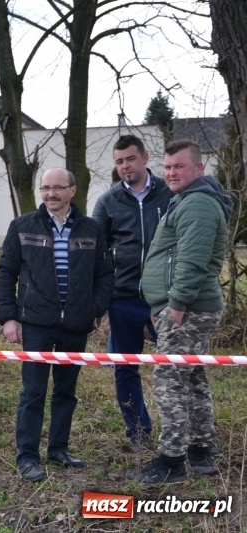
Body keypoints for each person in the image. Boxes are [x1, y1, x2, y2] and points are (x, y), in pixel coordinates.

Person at [0, 168, 113, 483]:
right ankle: (28, 457)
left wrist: (95, 309)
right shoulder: (22, 226)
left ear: (72, 190)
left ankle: (59, 449)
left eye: (58, 188)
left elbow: (104, 274)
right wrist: (8, 316)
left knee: (66, 391)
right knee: (33, 391)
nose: (50, 194)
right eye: (45, 188)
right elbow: (6, 271)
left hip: (76, 323)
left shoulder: (91, 229)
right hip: (36, 321)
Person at [127, 140, 232, 485]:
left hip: (187, 308)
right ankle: (201, 450)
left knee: (170, 380)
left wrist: (176, 304)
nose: (171, 173)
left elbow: (192, 260)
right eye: (168, 167)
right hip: (190, 306)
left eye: (179, 167)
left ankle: (171, 460)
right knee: (193, 378)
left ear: (198, 169)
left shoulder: (198, 204)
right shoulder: (189, 200)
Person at [92, 134, 172, 450]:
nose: (126, 166)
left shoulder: (169, 194)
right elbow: (97, 250)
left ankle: (179, 434)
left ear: (145, 157)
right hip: (122, 298)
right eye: (120, 161)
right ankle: (138, 431)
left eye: (131, 159)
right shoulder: (108, 201)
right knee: (126, 370)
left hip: (163, 299)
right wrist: (99, 299)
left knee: (175, 367)